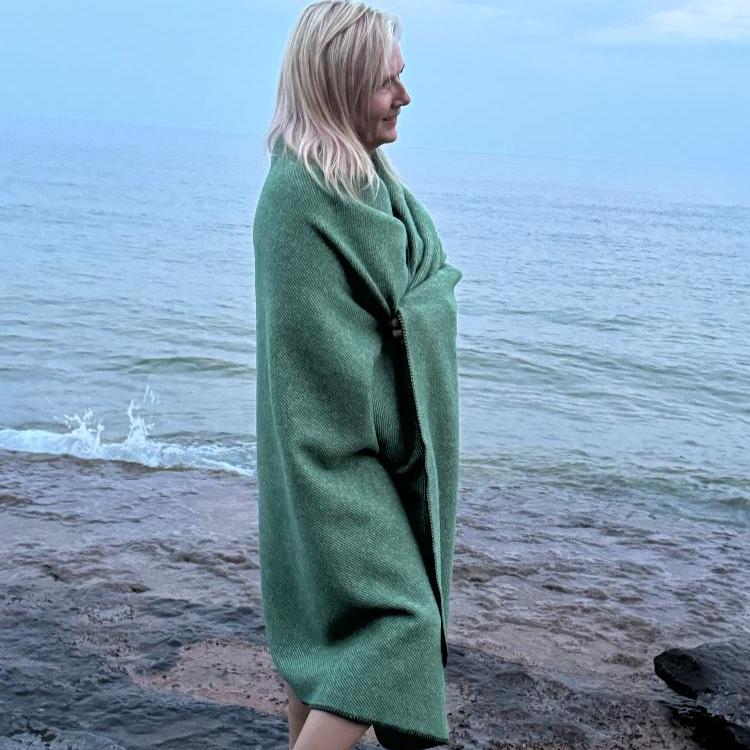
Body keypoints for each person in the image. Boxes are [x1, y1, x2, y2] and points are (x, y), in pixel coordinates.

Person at [252, 2, 463, 748]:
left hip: (354, 460)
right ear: (340, 86)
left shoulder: (371, 183)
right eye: (385, 83)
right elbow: (317, 366)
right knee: (398, 626)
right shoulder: (301, 196)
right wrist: (419, 310)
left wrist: (420, 307)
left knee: (327, 647)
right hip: (330, 463)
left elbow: (421, 285)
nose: (404, 97)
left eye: (400, 79)